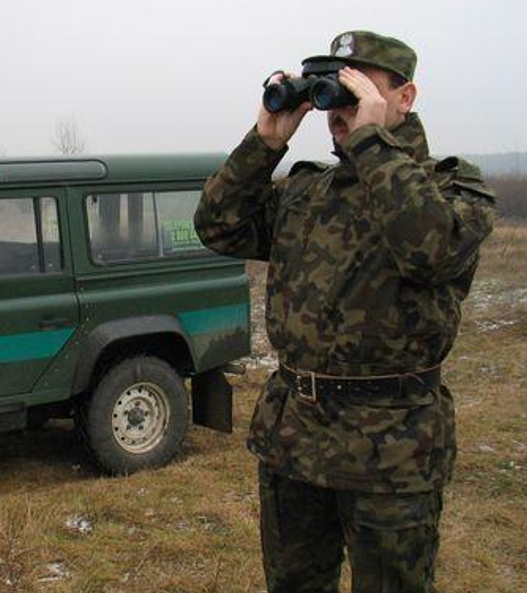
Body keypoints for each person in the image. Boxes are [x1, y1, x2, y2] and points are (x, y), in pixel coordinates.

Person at [193, 31, 495, 593]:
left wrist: (374, 144)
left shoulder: (451, 187)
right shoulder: (310, 192)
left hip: (393, 446)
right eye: (332, 90)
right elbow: (218, 225)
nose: (341, 108)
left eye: (356, 89)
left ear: (404, 98)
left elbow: (430, 248)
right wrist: (265, 141)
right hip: (295, 438)